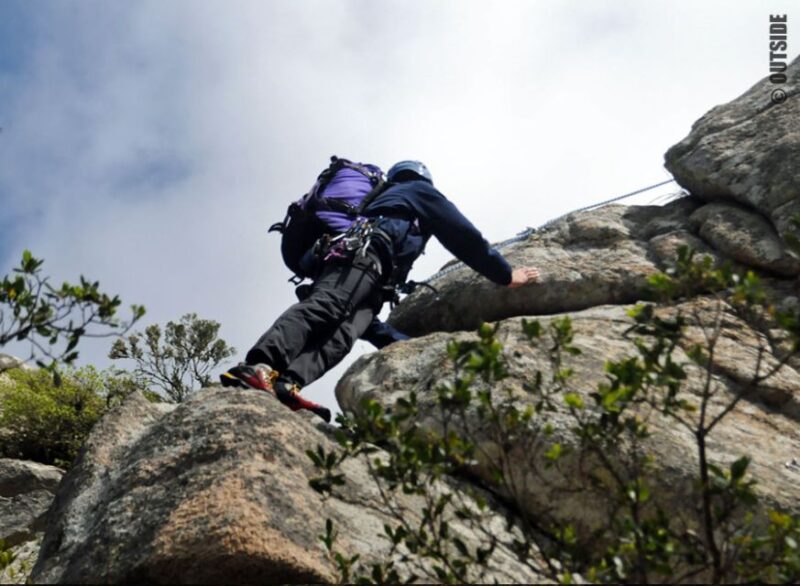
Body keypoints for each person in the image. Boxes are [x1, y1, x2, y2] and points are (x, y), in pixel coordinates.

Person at [220, 160, 541, 422]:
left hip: (373, 281)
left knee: (343, 336)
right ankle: (259, 366)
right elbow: (462, 235)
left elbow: (374, 330)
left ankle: (286, 384)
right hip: (360, 258)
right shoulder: (416, 191)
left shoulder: (390, 200)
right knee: (325, 308)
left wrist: (414, 346)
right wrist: (505, 275)